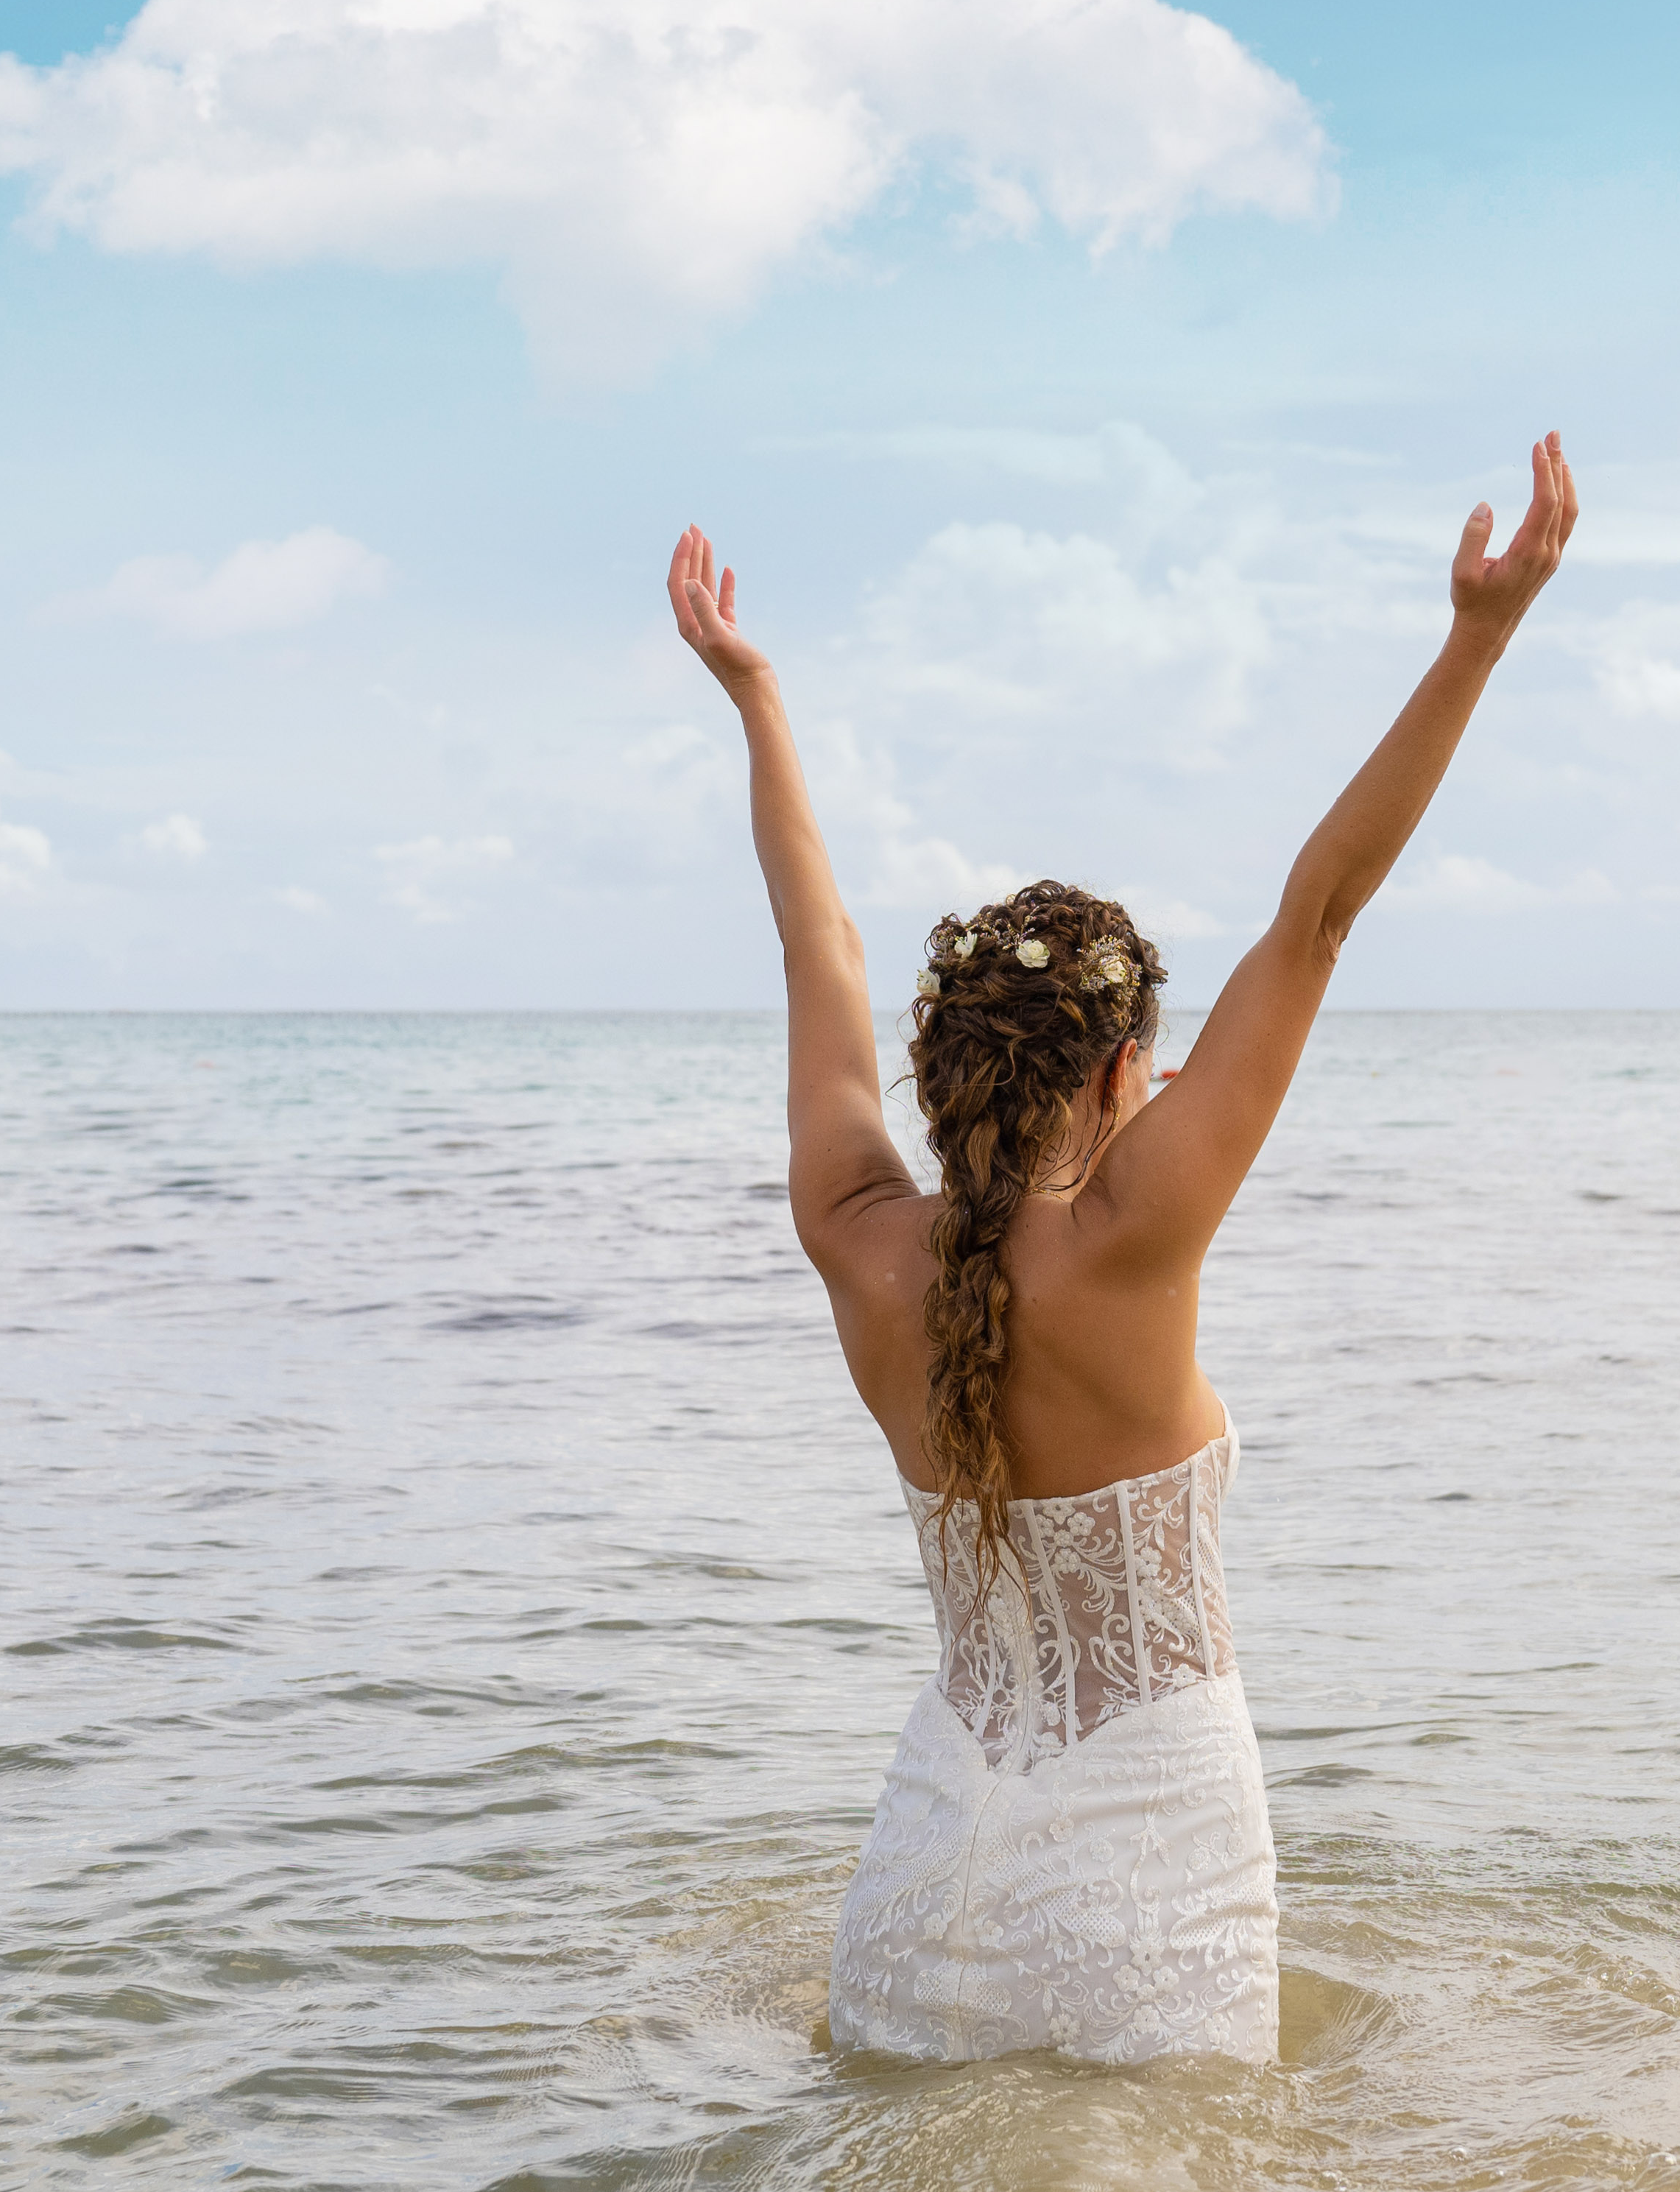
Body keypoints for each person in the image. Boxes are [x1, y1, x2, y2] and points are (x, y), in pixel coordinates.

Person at [663, 436, 1581, 2065]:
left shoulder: (859, 1240)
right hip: (1146, 1878)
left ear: (936, 1073)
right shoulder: (1135, 1239)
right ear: (1117, 1072)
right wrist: (1479, 640)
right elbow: (1318, 914)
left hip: (922, 1870)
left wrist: (757, 700)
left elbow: (816, 941)